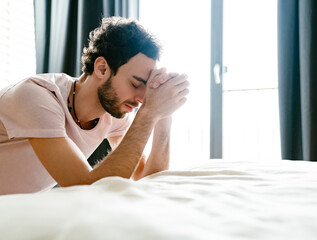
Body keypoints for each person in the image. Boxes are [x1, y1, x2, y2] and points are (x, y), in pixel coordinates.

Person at [0, 17, 189, 195]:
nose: (141, 98)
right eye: (135, 84)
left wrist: (163, 114)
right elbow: (84, 186)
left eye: (146, 89)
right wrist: (148, 114)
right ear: (102, 68)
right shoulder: (37, 96)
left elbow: (144, 178)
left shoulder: (114, 113)